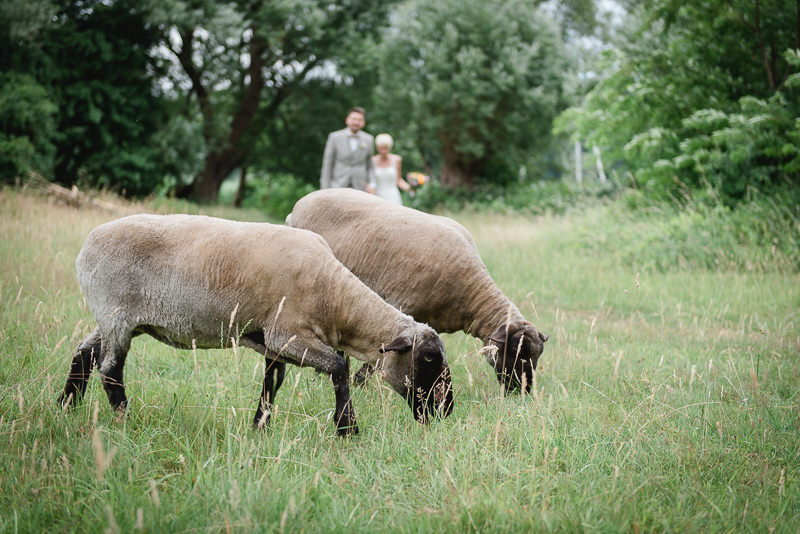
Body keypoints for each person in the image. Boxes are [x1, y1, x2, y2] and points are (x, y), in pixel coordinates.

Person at [320, 107, 376, 193]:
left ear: (363, 122)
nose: (356, 122)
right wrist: (324, 188)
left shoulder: (369, 139)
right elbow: (327, 164)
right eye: (354, 119)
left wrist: (372, 184)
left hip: (360, 187)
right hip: (337, 185)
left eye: (360, 120)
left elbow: (370, 165)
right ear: (347, 120)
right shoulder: (334, 137)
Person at [372, 133, 411, 205]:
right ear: (377, 147)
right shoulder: (372, 161)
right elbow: (371, 182)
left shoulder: (397, 160)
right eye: (381, 148)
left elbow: (399, 180)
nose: (384, 151)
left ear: (390, 148)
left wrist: (411, 188)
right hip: (377, 196)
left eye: (386, 148)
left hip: (393, 196)